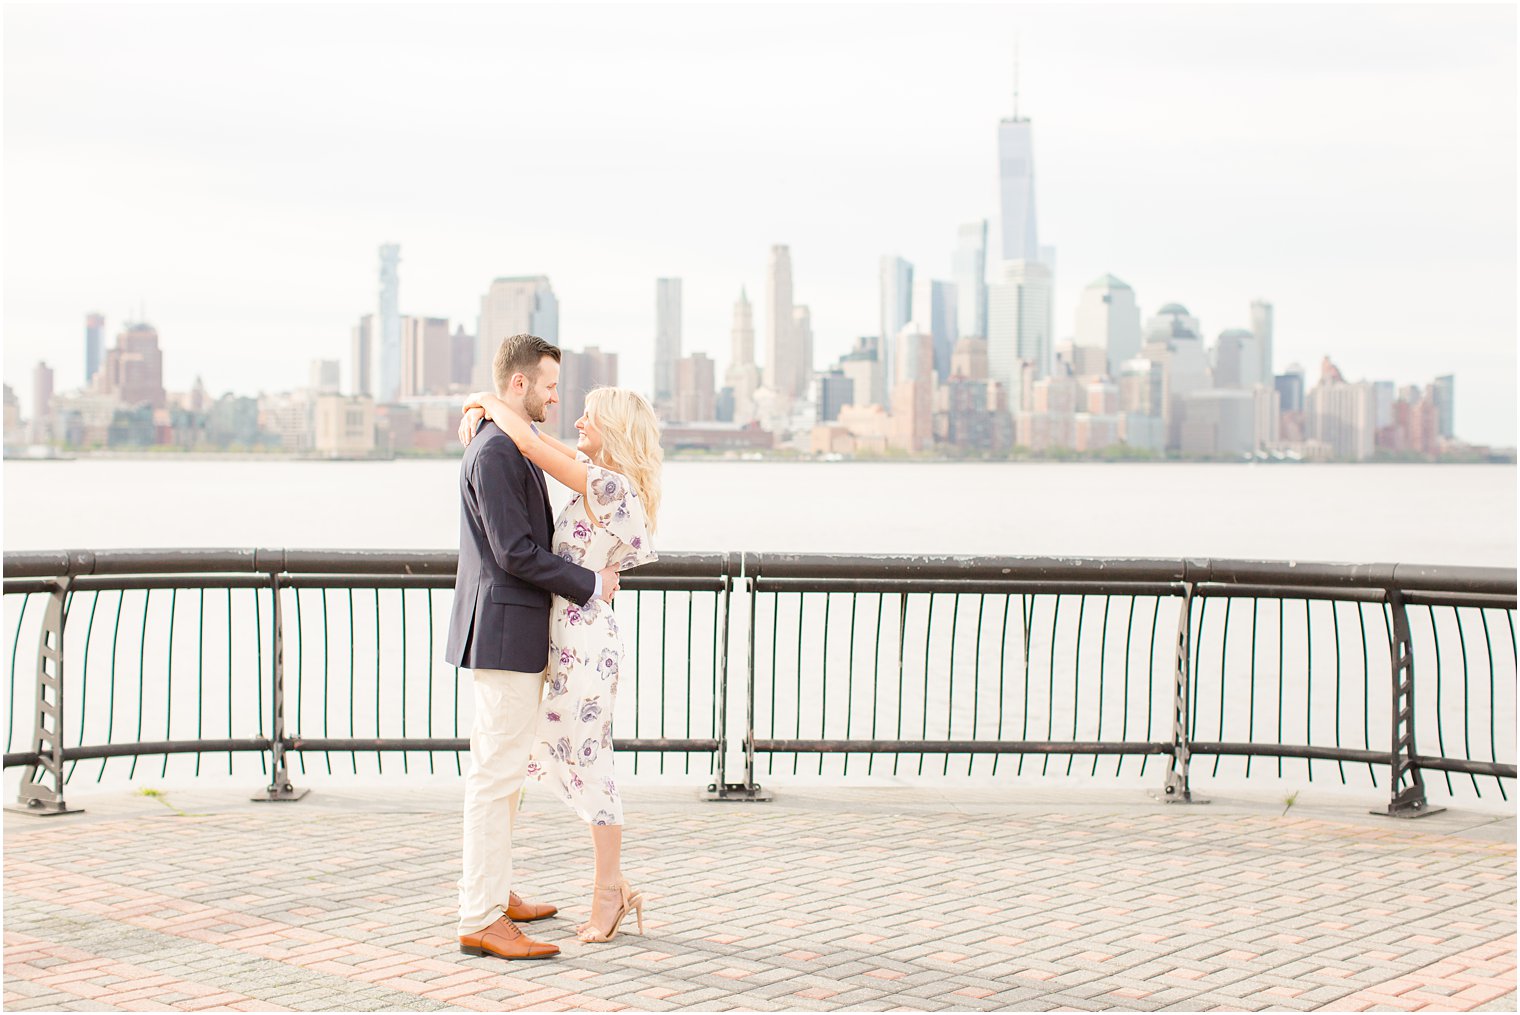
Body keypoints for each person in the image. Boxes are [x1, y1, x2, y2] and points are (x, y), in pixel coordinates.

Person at [458, 382, 661, 944]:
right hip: (563, 636)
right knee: (532, 755)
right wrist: (487, 412)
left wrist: (482, 398)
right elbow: (536, 439)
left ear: (613, 429)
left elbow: (526, 440)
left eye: (590, 417)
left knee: (590, 760)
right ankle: (496, 887)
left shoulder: (608, 484)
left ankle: (609, 893)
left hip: (586, 641)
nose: (577, 422)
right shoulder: (593, 472)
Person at [444, 333, 621, 961]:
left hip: (509, 632)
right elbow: (514, 553)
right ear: (518, 386)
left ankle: (492, 891)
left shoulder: (501, 440)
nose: (554, 395)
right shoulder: (494, 452)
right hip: (503, 635)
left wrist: (480, 404)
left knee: (503, 775)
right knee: (494, 779)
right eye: (548, 385)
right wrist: (590, 584)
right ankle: (482, 917)